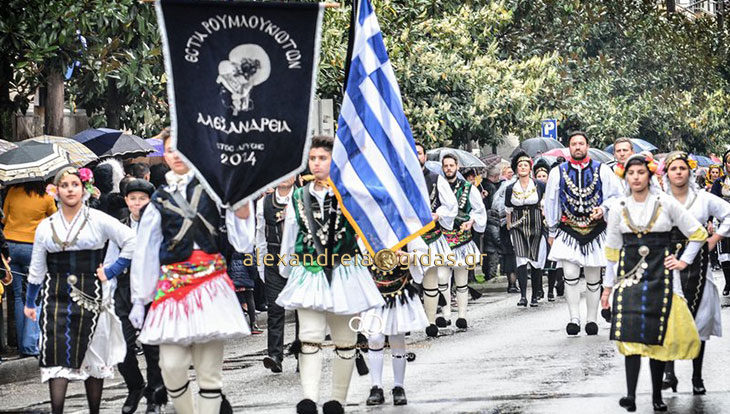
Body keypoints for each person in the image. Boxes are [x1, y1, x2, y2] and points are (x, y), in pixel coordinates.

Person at [129, 134, 254, 414]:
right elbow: (146, 252)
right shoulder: (158, 200)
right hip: (173, 288)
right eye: (170, 150)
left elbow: (242, 241)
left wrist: (243, 208)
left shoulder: (216, 188)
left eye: (182, 148)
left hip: (212, 287)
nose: (176, 154)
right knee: (171, 366)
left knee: (209, 374)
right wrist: (141, 298)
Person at [275, 136, 384, 414]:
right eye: (313, 158)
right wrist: (286, 269)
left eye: (322, 158)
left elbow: (365, 229)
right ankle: (309, 399)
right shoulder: (298, 196)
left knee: (345, 340)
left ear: (333, 161)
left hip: (345, 271)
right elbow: (291, 233)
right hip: (309, 271)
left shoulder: (349, 193)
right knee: (309, 336)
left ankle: (337, 400)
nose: (317, 163)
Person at [24, 166, 133, 414]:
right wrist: (30, 302)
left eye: (75, 184)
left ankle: (94, 411)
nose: (70, 189)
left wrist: (114, 269)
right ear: (56, 191)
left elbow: (131, 241)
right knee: (55, 353)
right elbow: (37, 268)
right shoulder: (46, 226)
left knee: (93, 356)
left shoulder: (98, 219)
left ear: (84, 189)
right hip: (55, 295)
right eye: (64, 185)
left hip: (92, 293)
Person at [602, 154, 705, 412]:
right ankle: (631, 395)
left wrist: (682, 262)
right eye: (631, 173)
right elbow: (612, 251)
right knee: (630, 333)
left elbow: (698, 233)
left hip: (662, 273)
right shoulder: (618, 207)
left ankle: (657, 395)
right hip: (629, 276)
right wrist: (606, 289)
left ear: (649, 175)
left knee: (658, 334)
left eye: (640, 172)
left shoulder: (665, 203)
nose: (636, 177)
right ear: (626, 177)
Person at [660, 152, 726, 395]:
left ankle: (697, 376)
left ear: (689, 172)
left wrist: (716, 237)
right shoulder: (659, 199)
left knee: (698, 318)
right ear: (667, 173)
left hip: (698, 260)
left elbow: (728, 214)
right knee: (667, 315)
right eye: (673, 168)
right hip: (667, 259)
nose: (678, 172)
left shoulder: (704, 199)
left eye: (682, 168)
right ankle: (669, 371)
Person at [544, 131, 621, 336]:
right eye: (574, 144)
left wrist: (603, 209)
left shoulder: (602, 170)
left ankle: (591, 319)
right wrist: (551, 229)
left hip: (596, 230)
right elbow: (551, 200)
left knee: (593, 276)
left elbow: (616, 196)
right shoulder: (557, 172)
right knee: (569, 274)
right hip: (568, 228)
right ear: (569, 147)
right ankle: (574, 318)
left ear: (587, 146)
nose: (577, 147)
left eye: (581, 143)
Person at [107, 178, 167, 414]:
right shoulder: (119, 227)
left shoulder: (159, 225)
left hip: (154, 288)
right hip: (124, 291)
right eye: (133, 198)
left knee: (153, 346)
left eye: (143, 198)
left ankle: (155, 394)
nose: (138, 203)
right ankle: (135, 386)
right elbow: (110, 260)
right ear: (126, 201)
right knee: (122, 344)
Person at [362, 244, 429, 407]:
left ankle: (399, 386)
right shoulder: (368, 229)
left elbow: (421, 254)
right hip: (374, 291)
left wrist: (408, 256)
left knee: (397, 339)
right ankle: (376, 386)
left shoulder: (404, 227)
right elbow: (358, 256)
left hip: (399, 290)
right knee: (375, 338)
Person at [3, 181, 56, 357]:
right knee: (36, 296)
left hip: (10, 245)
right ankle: (30, 344)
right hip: (33, 247)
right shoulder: (47, 196)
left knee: (18, 296)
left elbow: (3, 218)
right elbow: (55, 220)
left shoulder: (12, 191)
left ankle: (21, 344)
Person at [414, 142, 457, 338]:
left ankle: (430, 321)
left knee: (433, 276)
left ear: (425, 157)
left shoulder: (435, 178)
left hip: (430, 236)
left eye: (420, 153)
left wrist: (438, 214)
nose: (416, 156)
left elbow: (450, 205)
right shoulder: (399, 178)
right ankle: (403, 322)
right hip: (407, 236)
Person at [440, 153, 486, 330]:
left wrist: (472, 221)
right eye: (446, 166)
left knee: (461, 279)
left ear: (457, 167)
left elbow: (479, 209)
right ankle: (445, 314)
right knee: (442, 277)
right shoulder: (439, 187)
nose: (449, 168)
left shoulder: (468, 187)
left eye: (452, 165)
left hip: (462, 239)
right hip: (443, 239)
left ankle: (462, 315)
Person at [256, 177, 296, 372]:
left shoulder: (303, 197)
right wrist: (261, 265)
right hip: (272, 260)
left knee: (302, 310)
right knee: (274, 309)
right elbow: (260, 236)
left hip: (299, 261)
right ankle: (274, 355)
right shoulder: (263, 202)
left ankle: (303, 352)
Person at [505, 151, 546, 307]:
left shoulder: (539, 185)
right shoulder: (510, 188)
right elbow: (508, 208)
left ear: (530, 168)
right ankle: (523, 295)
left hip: (536, 222)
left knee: (535, 259)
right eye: (520, 165)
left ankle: (535, 294)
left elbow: (546, 202)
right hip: (517, 224)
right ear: (516, 169)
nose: (522, 168)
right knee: (521, 259)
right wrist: (509, 225)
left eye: (525, 165)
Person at [709, 149, 730, 296]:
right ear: (725, 164)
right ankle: (728, 283)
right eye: (729, 162)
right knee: (725, 254)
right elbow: (711, 203)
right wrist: (709, 221)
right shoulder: (719, 182)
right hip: (724, 223)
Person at [481, 166, 503, 282]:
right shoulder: (491, 187)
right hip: (491, 219)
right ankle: (491, 275)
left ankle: (488, 274)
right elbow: (493, 204)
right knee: (492, 252)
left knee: (488, 251)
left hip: (485, 221)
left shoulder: (482, 185)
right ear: (494, 176)